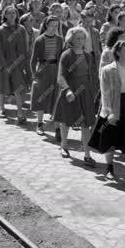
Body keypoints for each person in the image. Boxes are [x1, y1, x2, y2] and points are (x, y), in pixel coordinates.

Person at [98, 40, 125, 177]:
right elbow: (104, 93)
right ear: (117, 52)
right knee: (110, 139)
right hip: (113, 106)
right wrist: (109, 113)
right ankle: (109, 166)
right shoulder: (107, 70)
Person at [53, 26, 98, 162]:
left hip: (86, 94)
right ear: (71, 39)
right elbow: (60, 76)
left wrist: (93, 93)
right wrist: (67, 90)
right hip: (70, 92)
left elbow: (93, 76)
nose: (80, 40)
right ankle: (64, 146)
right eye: (77, 38)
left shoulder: (88, 56)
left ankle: (87, 154)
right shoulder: (66, 55)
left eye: (82, 38)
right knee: (66, 121)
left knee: (85, 124)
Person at [0, 6, 30, 124]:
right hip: (4, 64)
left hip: (18, 64)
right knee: (2, 86)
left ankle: (20, 112)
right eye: (9, 13)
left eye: (14, 13)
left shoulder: (21, 29)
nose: (12, 15)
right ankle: (2, 108)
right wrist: (3, 64)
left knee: (18, 88)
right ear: (4, 15)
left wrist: (24, 63)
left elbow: (25, 47)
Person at [30, 16, 64, 136]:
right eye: (52, 25)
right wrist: (34, 74)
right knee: (41, 96)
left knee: (56, 97)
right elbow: (33, 60)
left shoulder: (60, 39)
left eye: (56, 26)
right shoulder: (40, 39)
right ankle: (39, 123)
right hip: (43, 70)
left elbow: (61, 58)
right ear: (46, 25)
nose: (54, 28)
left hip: (56, 70)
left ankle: (57, 127)